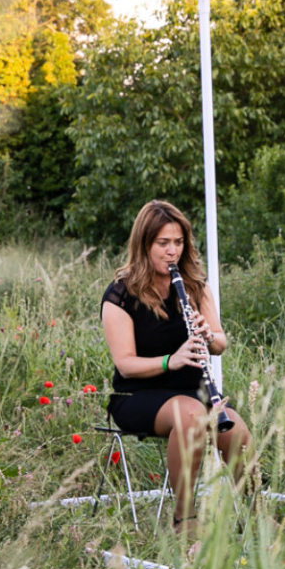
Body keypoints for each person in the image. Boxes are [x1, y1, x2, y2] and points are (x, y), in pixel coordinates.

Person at [101, 199, 253, 535]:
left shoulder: (194, 285)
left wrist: (207, 334)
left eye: (178, 242)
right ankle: (184, 519)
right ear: (144, 244)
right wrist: (172, 360)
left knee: (237, 431)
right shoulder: (121, 295)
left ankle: (256, 516)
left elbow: (220, 344)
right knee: (191, 416)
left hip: (192, 391)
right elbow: (125, 365)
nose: (172, 251)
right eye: (163, 243)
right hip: (138, 395)